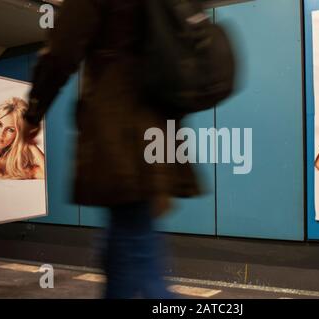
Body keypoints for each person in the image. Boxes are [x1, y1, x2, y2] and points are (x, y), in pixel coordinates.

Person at [22, 0, 200, 298]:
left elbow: (61, 53)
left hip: (120, 130)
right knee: (127, 238)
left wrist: (34, 111)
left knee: (138, 250)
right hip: (159, 127)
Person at [0, 97, 45, 183]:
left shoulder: (6, 163)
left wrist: (30, 142)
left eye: (11, 130)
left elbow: (47, 173)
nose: (1, 134)